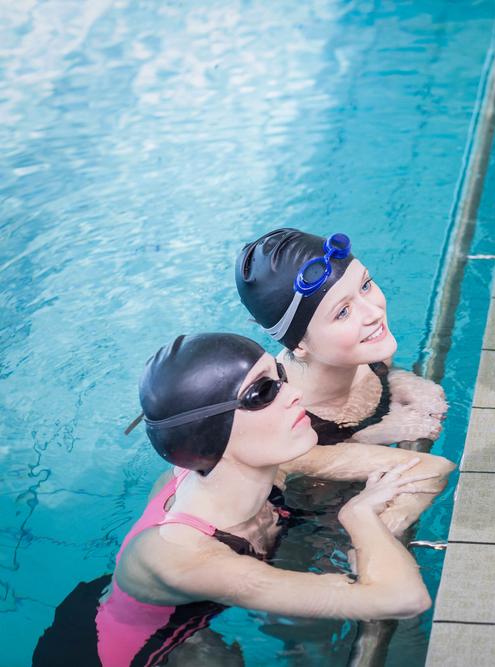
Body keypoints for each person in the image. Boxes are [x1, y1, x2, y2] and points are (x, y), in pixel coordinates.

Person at [34, 333, 436, 667]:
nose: (295, 394)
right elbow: (403, 598)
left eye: (280, 376)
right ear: (211, 435)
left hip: (166, 614)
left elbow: (432, 469)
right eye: (263, 392)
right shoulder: (184, 558)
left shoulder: (261, 465)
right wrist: (360, 516)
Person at [237, 228, 453, 531]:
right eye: (342, 312)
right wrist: (371, 434)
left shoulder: (370, 351)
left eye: (365, 285)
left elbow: (387, 371)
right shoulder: (276, 411)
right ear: (298, 344)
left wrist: (402, 380)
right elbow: (283, 473)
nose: (373, 312)